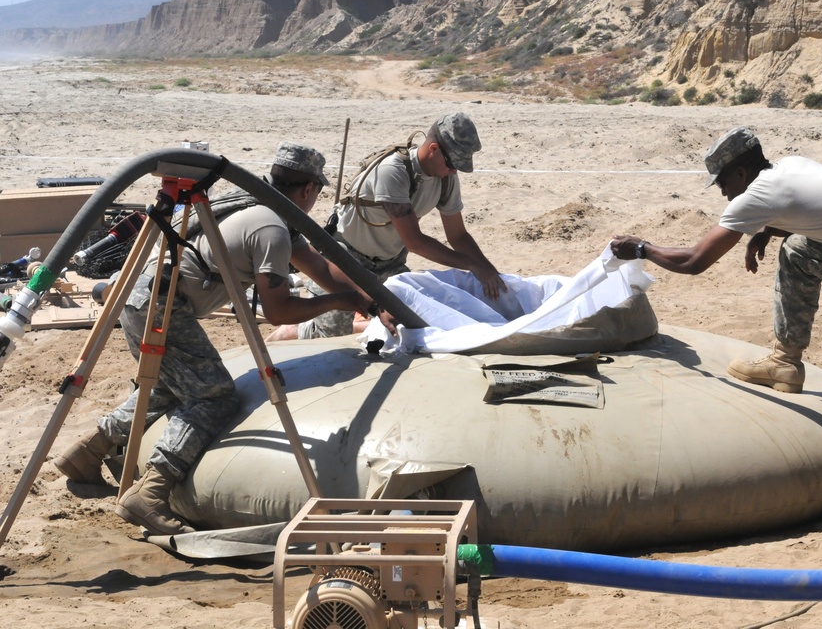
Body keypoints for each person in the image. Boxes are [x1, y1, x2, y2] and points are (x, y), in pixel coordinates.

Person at [610, 126, 822, 525]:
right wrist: (767, 229)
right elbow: (816, 208)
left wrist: (641, 248)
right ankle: (785, 361)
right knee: (797, 251)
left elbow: (694, 261)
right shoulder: (788, 168)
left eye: (724, 182)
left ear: (742, 173)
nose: (724, 193)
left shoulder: (758, 194)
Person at [54, 143, 379, 536]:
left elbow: (321, 267)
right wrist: (343, 302)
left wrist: (368, 294)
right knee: (214, 397)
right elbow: (279, 312)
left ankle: (87, 452)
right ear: (309, 191)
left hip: (142, 296)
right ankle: (151, 494)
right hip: (162, 305)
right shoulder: (271, 228)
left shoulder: (255, 209)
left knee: (175, 386)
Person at [268, 112, 506, 341]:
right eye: (453, 163)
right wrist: (473, 265)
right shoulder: (393, 171)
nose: (454, 171)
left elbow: (458, 235)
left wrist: (488, 270)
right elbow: (415, 242)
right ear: (433, 149)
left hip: (391, 261)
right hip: (346, 258)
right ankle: (291, 332)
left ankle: (364, 321)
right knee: (330, 333)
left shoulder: (446, 179)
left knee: (409, 321)